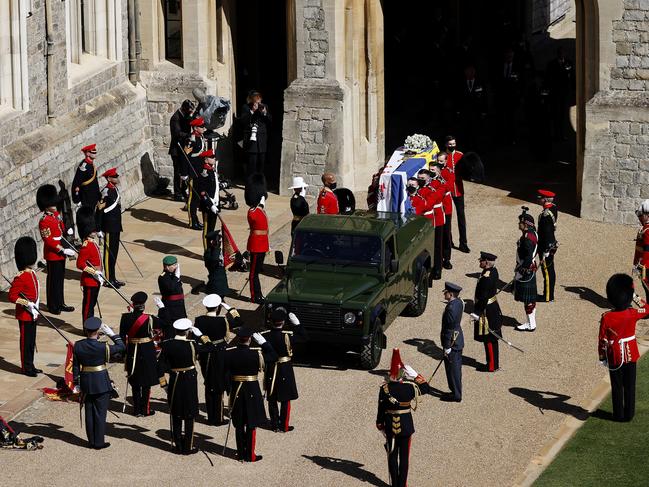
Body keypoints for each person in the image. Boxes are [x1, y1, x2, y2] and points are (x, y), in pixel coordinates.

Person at [158, 318, 216, 454]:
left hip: (175, 379)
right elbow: (211, 347)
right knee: (190, 413)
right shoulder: (192, 344)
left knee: (176, 412)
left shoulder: (167, 345)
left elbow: (159, 366)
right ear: (188, 331)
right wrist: (201, 335)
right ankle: (188, 446)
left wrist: (164, 384)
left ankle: (177, 445)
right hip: (189, 380)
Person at [376, 348, 430, 487]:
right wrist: (416, 375)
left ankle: (394, 485)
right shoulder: (409, 388)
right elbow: (425, 388)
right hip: (405, 427)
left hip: (389, 426)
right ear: (403, 373)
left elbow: (381, 409)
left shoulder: (384, 389)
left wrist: (380, 424)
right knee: (404, 459)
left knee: (392, 457)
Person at [224, 326, 278, 462]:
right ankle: (250, 455)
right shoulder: (256, 354)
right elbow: (273, 356)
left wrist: (229, 388)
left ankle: (240, 453)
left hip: (237, 391)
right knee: (251, 423)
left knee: (239, 423)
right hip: (252, 390)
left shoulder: (230, 353)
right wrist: (264, 343)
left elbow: (225, 372)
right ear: (249, 340)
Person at [599, 274, 647, 422]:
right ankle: (629, 414)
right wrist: (635, 296)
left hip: (614, 355)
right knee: (630, 386)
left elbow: (602, 340)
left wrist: (603, 357)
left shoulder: (607, 317)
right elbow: (647, 308)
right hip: (631, 353)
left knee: (617, 386)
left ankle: (618, 414)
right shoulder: (632, 313)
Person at [72, 317, 125, 449]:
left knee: (89, 413)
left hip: (86, 382)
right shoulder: (103, 347)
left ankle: (91, 441)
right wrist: (112, 334)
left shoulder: (78, 345)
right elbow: (121, 347)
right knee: (100, 414)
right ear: (98, 331)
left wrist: (76, 381)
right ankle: (99, 442)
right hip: (101, 382)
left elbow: (76, 367)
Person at [194, 294, 240, 425]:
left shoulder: (199, 320)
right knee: (219, 384)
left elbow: (196, 338)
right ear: (218, 307)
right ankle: (218, 417)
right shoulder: (223, 320)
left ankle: (210, 416)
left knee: (208, 383)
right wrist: (230, 309)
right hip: (219, 354)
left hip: (205, 355)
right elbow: (239, 321)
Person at [119, 292, 167, 417]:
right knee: (146, 383)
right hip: (147, 351)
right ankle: (144, 409)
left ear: (133, 305)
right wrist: (162, 308)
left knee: (135, 380)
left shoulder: (125, 318)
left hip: (132, 350)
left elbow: (122, 336)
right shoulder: (150, 318)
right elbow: (165, 323)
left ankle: (136, 410)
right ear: (143, 306)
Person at [262, 308, 307, 432]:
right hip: (285, 367)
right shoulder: (287, 336)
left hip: (271, 367)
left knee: (272, 397)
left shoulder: (265, 335)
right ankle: (284, 425)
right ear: (283, 322)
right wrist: (297, 325)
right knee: (285, 398)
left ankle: (274, 424)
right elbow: (304, 337)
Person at [37, 184, 75, 315]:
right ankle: (53, 305)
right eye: (52, 203)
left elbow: (60, 226)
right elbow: (48, 240)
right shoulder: (44, 220)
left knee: (60, 279)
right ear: (46, 205)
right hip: (53, 253)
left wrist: (66, 229)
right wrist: (62, 250)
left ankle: (60, 302)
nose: (54, 205)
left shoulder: (55, 215)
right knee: (53, 280)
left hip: (60, 250)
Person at [8, 237, 41, 377]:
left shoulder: (32, 273)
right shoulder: (20, 277)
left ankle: (31, 365)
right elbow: (12, 296)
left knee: (31, 342)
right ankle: (25, 367)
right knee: (25, 342)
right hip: (25, 314)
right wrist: (27, 303)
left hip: (33, 313)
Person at [470, 252, 503, 372]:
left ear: (487, 262)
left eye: (481, 261)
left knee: (488, 338)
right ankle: (493, 363)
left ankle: (491, 366)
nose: (480, 262)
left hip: (486, 310)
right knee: (492, 338)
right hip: (492, 307)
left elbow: (483, 297)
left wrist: (477, 312)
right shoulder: (492, 271)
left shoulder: (486, 278)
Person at [76, 206, 104, 324]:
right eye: (92, 230)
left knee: (92, 305)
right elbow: (80, 264)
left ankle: (91, 327)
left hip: (96, 279)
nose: (94, 231)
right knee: (88, 307)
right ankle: (87, 328)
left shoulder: (92, 242)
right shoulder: (86, 245)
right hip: (90, 280)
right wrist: (94, 272)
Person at [97, 168, 124, 289]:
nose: (116, 178)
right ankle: (108, 279)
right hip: (108, 226)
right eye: (114, 176)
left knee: (114, 253)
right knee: (108, 254)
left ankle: (113, 278)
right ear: (109, 178)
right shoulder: (106, 192)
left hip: (116, 225)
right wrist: (99, 229)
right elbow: (99, 212)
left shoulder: (114, 189)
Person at [245, 173, 269, 304]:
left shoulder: (259, 209)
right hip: (255, 244)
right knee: (253, 273)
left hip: (262, 244)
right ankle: (255, 296)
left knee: (257, 271)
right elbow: (254, 217)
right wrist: (260, 203)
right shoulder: (253, 211)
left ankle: (259, 294)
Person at [514, 209, 539, 331]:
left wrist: (522, 268)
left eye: (520, 222)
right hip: (530, 267)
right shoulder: (532, 233)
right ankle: (532, 322)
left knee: (528, 300)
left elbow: (528, 255)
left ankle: (530, 324)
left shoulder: (527, 238)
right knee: (530, 299)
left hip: (526, 269)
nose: (519, 224)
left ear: (526, 224)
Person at [417, 169, 444, 280]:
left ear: (428, 179)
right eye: (419, 178)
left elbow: (428, 205)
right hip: (420, 221)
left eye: (422, 178)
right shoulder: (417, 189)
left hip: (430, 219)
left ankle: (437, 269)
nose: (420, 180)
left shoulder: (431, 189)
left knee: (436, 246)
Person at [444, 136, 470, 253]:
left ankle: (463, 243)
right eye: (450, 144)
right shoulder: (443, 156)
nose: (452, 146)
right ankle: (448, 242)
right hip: (447, 192)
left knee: (461, 217)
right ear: (446, 145)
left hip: (458, 190)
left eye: (453, 143)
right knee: (448, 219)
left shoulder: (460, 155)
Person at [441, 281, 464, 402]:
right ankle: (455, 391)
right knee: (454, 368)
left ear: (450, 294)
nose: (444, 295)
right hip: (457, 338)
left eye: (446, 293)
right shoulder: (458, 302)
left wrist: (446, 346)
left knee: (453, 369)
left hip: (452, 342)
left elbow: (449, 329)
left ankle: (456, 394)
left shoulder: (451, 308)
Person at [239, 90, 272, 178]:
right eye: (256, 101)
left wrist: (265, 112)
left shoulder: (265, 107)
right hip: (251, 141)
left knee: (261, 165)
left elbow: (270, 121)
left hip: (261, 140)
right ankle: (250, 184)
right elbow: (243, 121)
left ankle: (260, 184)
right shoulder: (246, 107)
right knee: (251, 165)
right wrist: (252, 111)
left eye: (259, 101)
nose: (258, 103)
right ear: (252, 101)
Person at [183, 117, 208, 230]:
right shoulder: (191, 139)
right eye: (201, 126)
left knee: (197, 198)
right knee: (192, 198)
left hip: (199, 170)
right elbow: (185, 157)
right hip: (193, 171)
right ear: (195, 128)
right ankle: (192, 221)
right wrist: (185, 173)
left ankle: (196, 219)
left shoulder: (200, 137)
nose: (203, 128)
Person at [169, 100, 195, 201]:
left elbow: (191, 122)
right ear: (183, 109)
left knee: (185, 170)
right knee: (178, 172)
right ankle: (177, 194)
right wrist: (189, 135)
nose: (189, 114)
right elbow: (177, 134)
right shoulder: (175, 118)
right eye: (188, 111)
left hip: (185, 148)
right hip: (177, 149)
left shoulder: (185, 115)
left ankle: (184, 191)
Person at [431, 158, 453, 270]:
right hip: (435, 212)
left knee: (446, 234)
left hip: (445, 209)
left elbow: (449, 188)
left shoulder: (446, 175)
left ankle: (447, 258)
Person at [195, 149, 220, 249]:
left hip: (215, 203)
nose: (214, 159)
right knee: (207, 230)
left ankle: (211, 248)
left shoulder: (211, 170)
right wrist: (211, 205)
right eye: (212, 157)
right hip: (208, 206)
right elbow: (203, 193)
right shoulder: (204, 173)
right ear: (206, 160)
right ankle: (207, 250)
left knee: (212, 228)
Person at [537, 189, 559, 302]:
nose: (539, 199)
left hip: (546, 246)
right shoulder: (553, 208)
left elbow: (547, 233)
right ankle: (549, 294)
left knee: (547, 272)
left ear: (545, 199)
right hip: (551, 244)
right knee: (550, 270)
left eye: (540, 198)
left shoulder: (545, 215)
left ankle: (548, 296)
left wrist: (546, 249)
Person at [71, 144, 101, 211]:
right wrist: (77, 199)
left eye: (95, 152)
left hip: (93, 195)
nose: (95, 154)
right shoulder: (83, 167)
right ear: (87, 153)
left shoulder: (91, 164)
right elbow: (77, 182)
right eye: (93, 152)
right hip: (87, 197)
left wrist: (98, 195)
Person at [158, 255, 187, 321]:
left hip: (179, 304)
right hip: (171, 306)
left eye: (176, 264)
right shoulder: (163, 277)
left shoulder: (173, 274)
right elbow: (171, 288)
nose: (176, 267)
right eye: (174, 265)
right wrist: (176, 277)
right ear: (167, 267)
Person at [204, 230, 229, 297]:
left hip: (221, 278)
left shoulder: (217, 249)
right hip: (216, 281)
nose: (220, 241)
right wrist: (216, 248)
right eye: (218, 239)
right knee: (217, 296)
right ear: (212, 241)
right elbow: (214, 261)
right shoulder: (209, 252)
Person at [633, 199, 649, 302]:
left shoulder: (647, 230)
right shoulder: (645, 228)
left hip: (646, 265)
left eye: (641, 215)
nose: (640, 217)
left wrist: (642, 265)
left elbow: (648, 249)